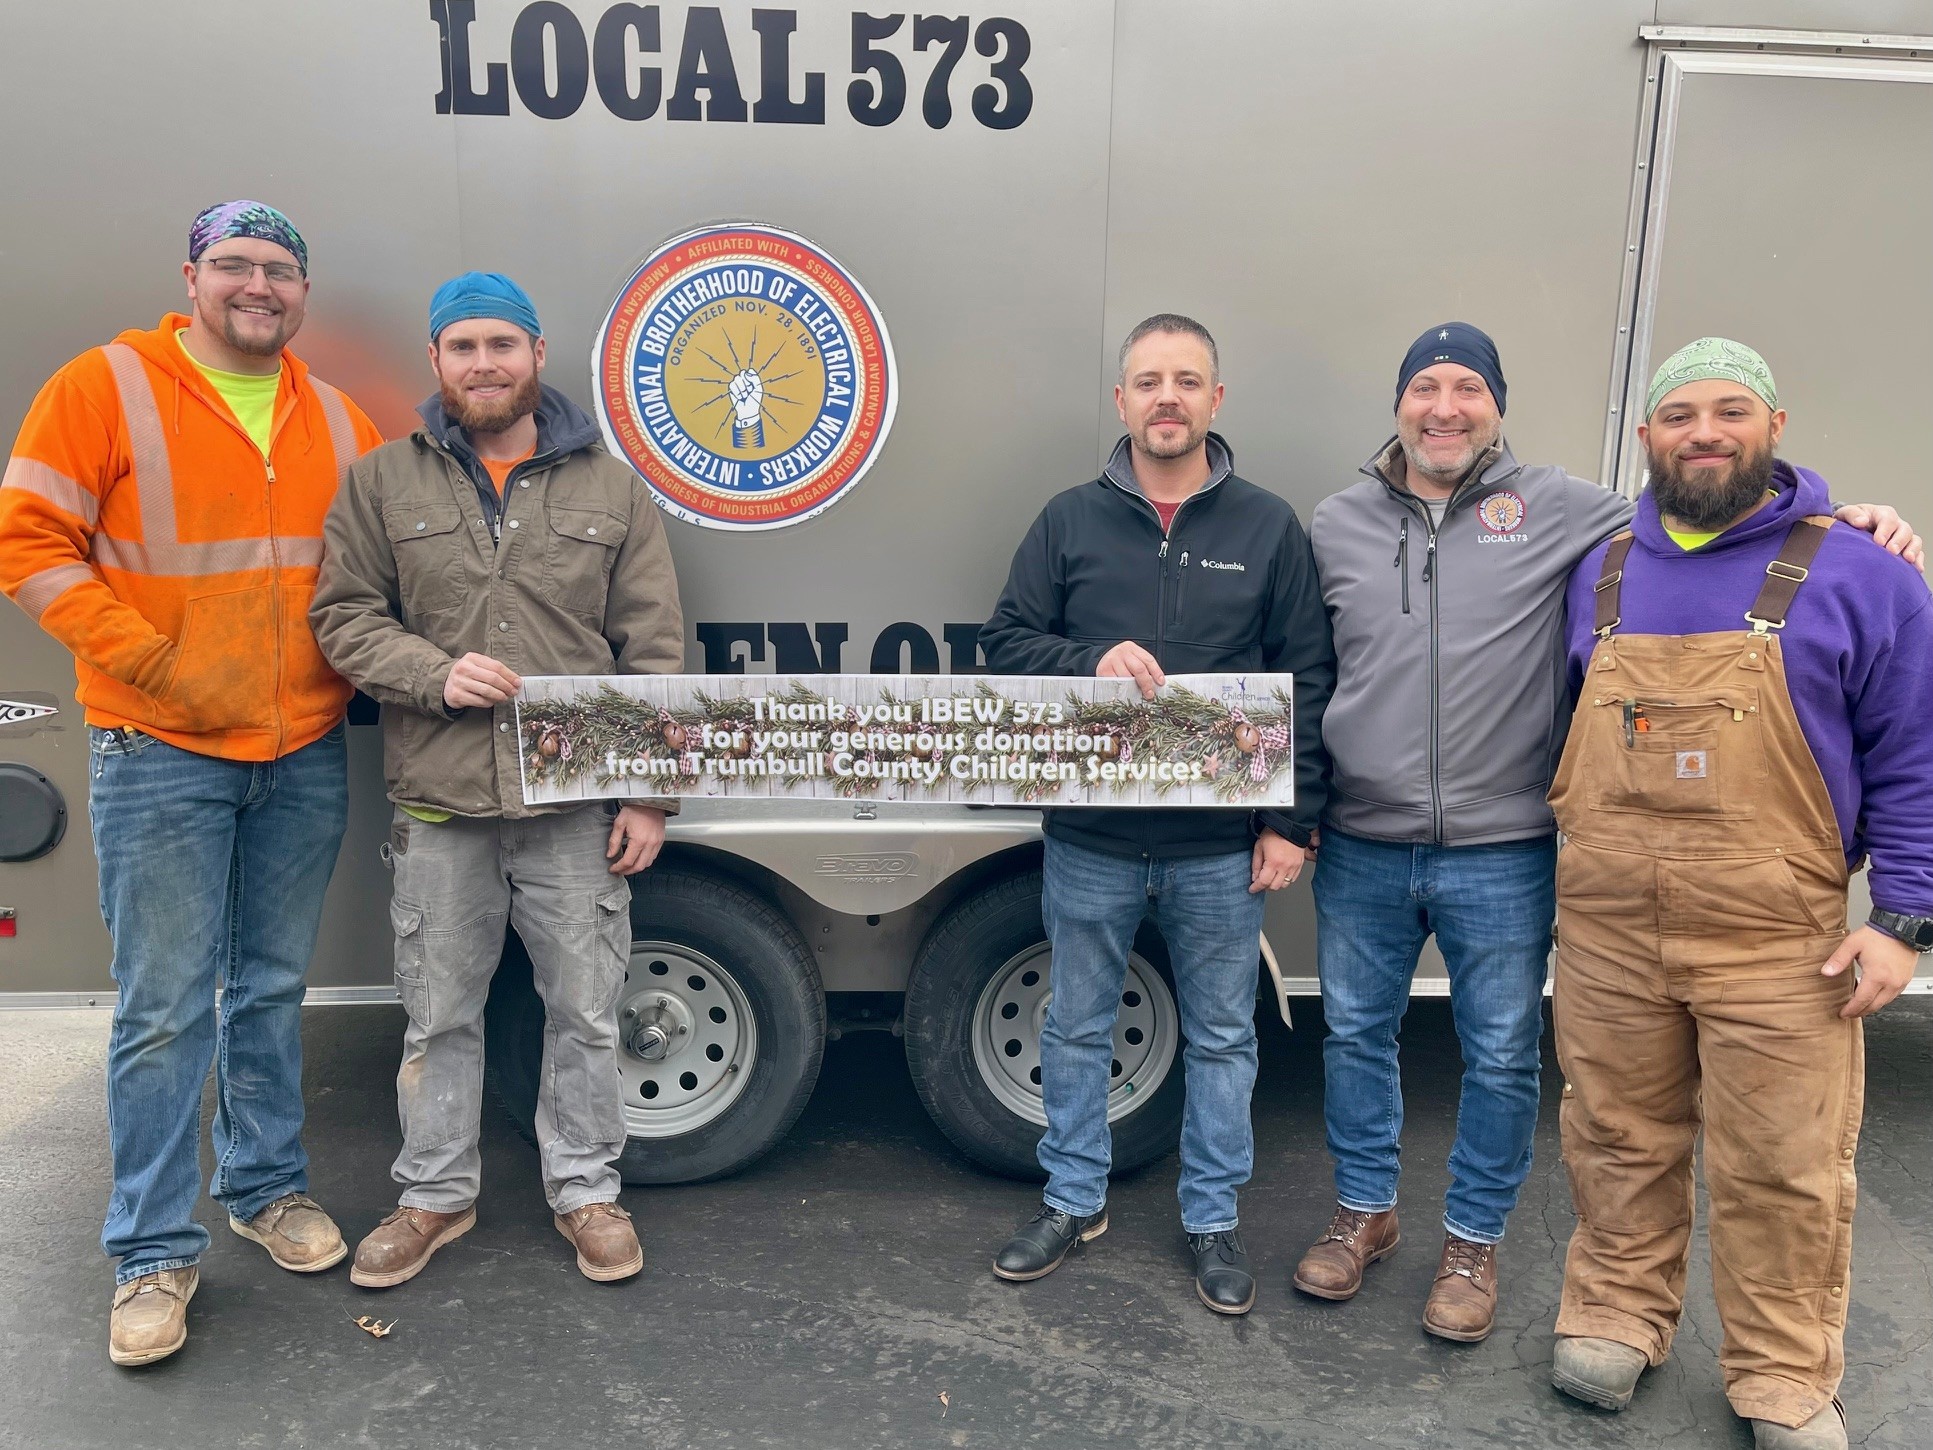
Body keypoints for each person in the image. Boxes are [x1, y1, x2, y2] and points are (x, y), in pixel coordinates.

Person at [1296, 324, 1920, 1344]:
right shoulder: (1336, 522)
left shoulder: (1569, 510)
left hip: (1503, 849)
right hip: (1361, 842)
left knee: (1502, 1057)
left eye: (1468, 388)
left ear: (1498, 406)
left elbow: (1721, 500)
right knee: (1357, 1037)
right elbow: (1307, 665)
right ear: (1398, 403)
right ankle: (1362, 1209)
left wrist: (1847, 514)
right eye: (1424, 387)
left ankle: (1471, 1243)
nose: (1444, 408)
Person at [0, 201, 382, 1365]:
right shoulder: (104, 386)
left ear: (303, 290)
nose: (257, 284)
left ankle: (265, 1187)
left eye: (279, 269)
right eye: (234, 264)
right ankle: (152, 1251)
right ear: (192, 276)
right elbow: (27, 541)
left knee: (269, 986)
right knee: (162, 1007)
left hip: (301, 749)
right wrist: (157, 663)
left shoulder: (339, 417)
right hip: (158, 749)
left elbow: (373, 572)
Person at [1547, 338, 1932, 1450]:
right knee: (1615, 1135)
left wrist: (1902, 920)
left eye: (1729, 411)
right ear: (1645, 436)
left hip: (1777, 939)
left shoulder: (1864, 570)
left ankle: (1783, 1373)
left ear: (1774, 425)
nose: (1704, 433)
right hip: (1610, 931)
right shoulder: (1600, 569)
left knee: (1783, 1166)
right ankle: (1616, 1311)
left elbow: (1913, 752)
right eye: (1679, 415)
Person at [309, 273, 683, 1289]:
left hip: (573, 807)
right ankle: (433, 1196)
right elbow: (343, 617)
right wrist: (432, 672)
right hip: (440, 805)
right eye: (464, 345)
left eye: (502, 344)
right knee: (439, 1016)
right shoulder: (381, 483)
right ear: (435, 359)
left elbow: (652, 648)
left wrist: (648, 792)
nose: (484, 364)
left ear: (537, 354)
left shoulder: (612, 489)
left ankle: (587, 1191)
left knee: (587, 1012)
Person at [979, 313, 1335, 1315]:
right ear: (1122, 400)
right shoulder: (1068, 521)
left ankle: (1212, 1219)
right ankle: (1071, 1201)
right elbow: (1003, 642)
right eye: (1148, 381)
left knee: (1222, 1037)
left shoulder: (1266, 527)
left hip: (1217, 850)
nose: (1166, 398)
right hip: (1089, 839)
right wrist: (1083, 659)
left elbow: (1308, 676)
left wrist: (1290, 820)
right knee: (1077, 1026)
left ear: (1215, 400)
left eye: (1186, 380)